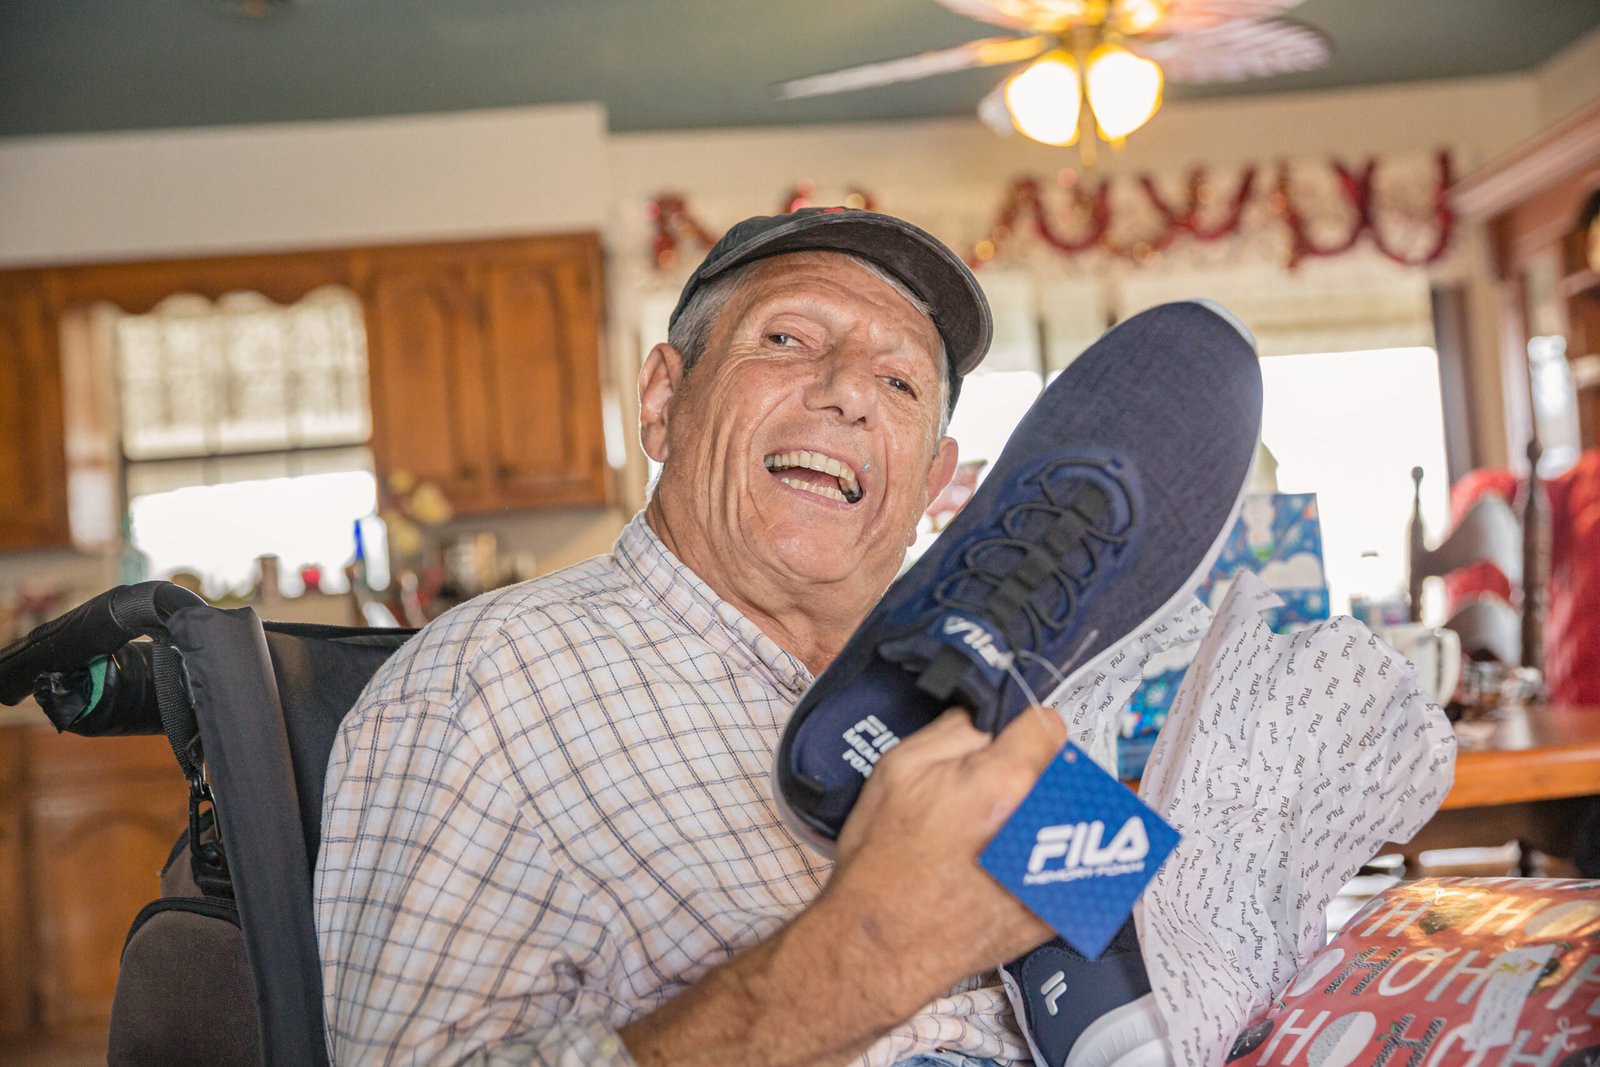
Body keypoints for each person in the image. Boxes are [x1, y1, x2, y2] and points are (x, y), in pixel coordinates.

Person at [314, 208, 1066, 1066]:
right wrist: (869, 953)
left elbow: (1152, 944)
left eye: (900, 384)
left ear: (932, 483)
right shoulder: (487, 684)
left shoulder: (979, 683)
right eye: (786, 339)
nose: (850, 390)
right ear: (665, 401)